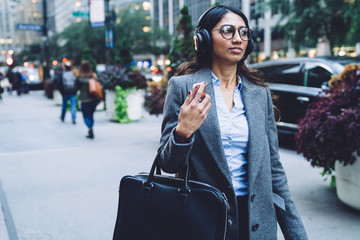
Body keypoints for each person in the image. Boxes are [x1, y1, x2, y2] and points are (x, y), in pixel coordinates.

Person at [157, 5, 308, 240]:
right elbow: (168, 165)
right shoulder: (183, 88)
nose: (238, 38)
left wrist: (296, 234)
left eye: (244, 32)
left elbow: (274, 170)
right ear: (204, 39)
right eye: (227, 31)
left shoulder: (259, 94)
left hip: (257, 220)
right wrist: (182, 133)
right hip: (202, 219)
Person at [76, 61, 99, 139]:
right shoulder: (93, 76)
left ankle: (90, 128)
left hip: (84, 100)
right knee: (91, 115)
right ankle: (91, 128)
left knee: (86, 116)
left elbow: (76, 88)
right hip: (94, 99)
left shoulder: (79, 78)